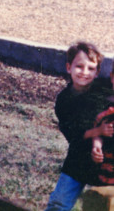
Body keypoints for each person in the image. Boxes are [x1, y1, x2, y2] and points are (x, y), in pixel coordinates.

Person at [45, 42, 110, 211]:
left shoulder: (104, 90)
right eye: (79, 66)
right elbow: (73, 135)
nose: (84, 73)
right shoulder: (65, 100)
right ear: (68, 67)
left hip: (107, 157)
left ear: (97, 72)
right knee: (58, 204)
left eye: (91, 68)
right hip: (79, 157)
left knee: (103, 204)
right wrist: (97, 132)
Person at [91, 62, 114, 184]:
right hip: (106, 173)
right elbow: (98, 132)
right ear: (112, 77)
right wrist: (96, 146)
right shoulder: (106, 110)